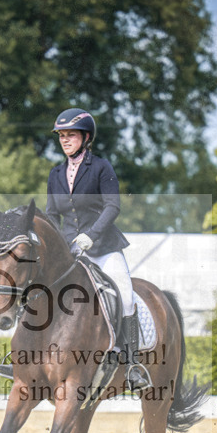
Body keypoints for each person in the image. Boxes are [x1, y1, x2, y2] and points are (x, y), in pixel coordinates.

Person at [45, 107, 145, 388]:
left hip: (103, 247)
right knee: (38, 290)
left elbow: (113, 206)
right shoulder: (55, 174)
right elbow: (52, 214)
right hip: (70, 253)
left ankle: (132, 364)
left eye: (71, 135)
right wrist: (57, 245)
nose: (65, 140)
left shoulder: (101, 167)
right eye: (61, 136)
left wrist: (90, 235)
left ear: (86, 137)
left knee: (125, 295)